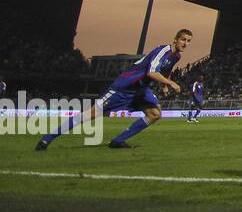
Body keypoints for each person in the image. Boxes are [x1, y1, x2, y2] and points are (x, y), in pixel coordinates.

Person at [37, 29, 194, 150]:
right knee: (91, 114)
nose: (185, 43)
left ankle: (117, 141)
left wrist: (165, 85)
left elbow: (164, 71)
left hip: (140, 90)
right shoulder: (163, 51)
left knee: (155, 114)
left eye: (188, 41)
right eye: (183, 40)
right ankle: (47, 138)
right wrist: (172, 83)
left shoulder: (176, 56)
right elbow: (152, 72)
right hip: (124, 86)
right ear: (175, 39)